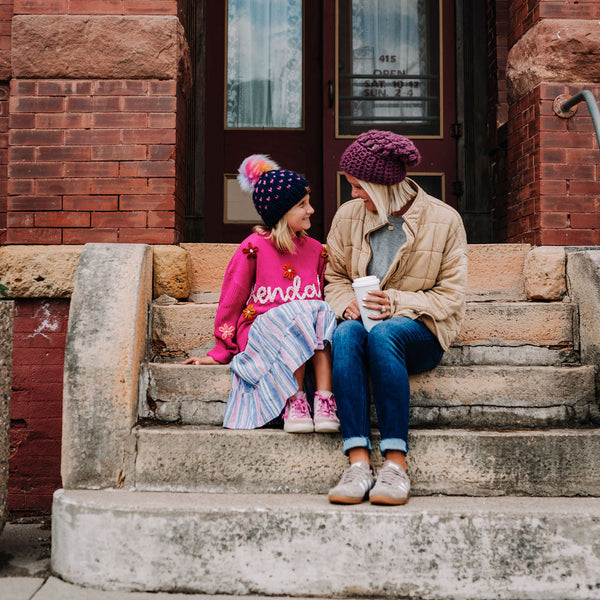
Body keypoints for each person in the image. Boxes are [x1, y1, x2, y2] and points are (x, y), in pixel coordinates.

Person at [324, 130, 468, 505]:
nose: (353, 195)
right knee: (345, 335)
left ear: (382, 186)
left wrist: (396, 303)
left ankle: (395, 465)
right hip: (366, 326)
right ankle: (357, 462)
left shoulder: (444, 220)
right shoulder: (348, 217)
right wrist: (346, 304)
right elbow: (335, 276)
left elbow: (450, 298)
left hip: (420, 332)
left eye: (358, 187)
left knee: (385, 334)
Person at [183, 154, 340, 434]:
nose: (311, 210)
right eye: (302, 205)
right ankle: (294, 400)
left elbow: (326, 299)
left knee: (317, 312)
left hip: (305, 330)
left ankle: (325, 401)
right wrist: (222, 350)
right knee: (301, 316)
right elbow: (232, 298)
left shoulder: (317, 249)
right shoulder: (254, 247)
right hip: (262, 328)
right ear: (280, 212)